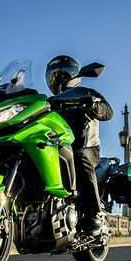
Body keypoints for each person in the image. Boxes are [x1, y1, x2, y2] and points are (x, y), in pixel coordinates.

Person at [45, 55, 113, 236]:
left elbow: (108, 111)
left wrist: (94, 106)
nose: (58, 79)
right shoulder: (49, 102)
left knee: (80, 156)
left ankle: (94, 214)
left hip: (88, 147)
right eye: (54, 75)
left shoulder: (86, 92)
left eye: (62, 74)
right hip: (58, 147)